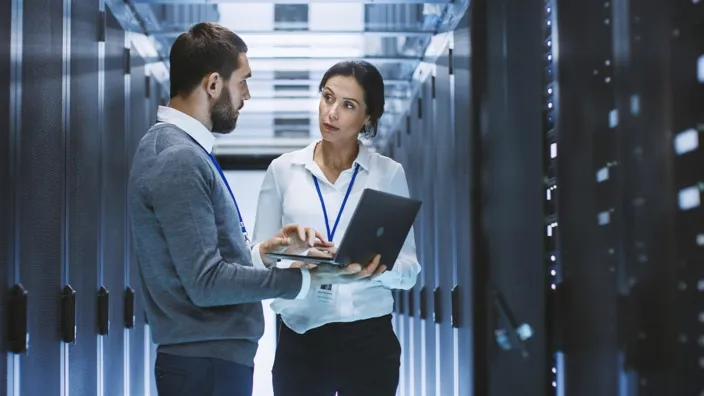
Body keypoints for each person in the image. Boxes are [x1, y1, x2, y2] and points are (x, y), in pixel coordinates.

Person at [127, 23, 384, 396]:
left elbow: (202, 265)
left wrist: (267, 252)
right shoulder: (179, 159)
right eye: (243, 81)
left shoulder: (179, 150)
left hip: (207, 362)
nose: (247, 94)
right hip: (206, 366)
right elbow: (206, 283)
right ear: (214, 84)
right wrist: (307, 279)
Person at [251, 60, 421, 396]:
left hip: (369, 340)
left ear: (368, 117)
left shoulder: (387, 174)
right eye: (327, 98)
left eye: (348, 105)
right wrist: (293, 262)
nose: (331, 113)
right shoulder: (283, 170)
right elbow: (256, 259)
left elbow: (410, 269)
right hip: (300, 336)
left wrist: (375, 270)